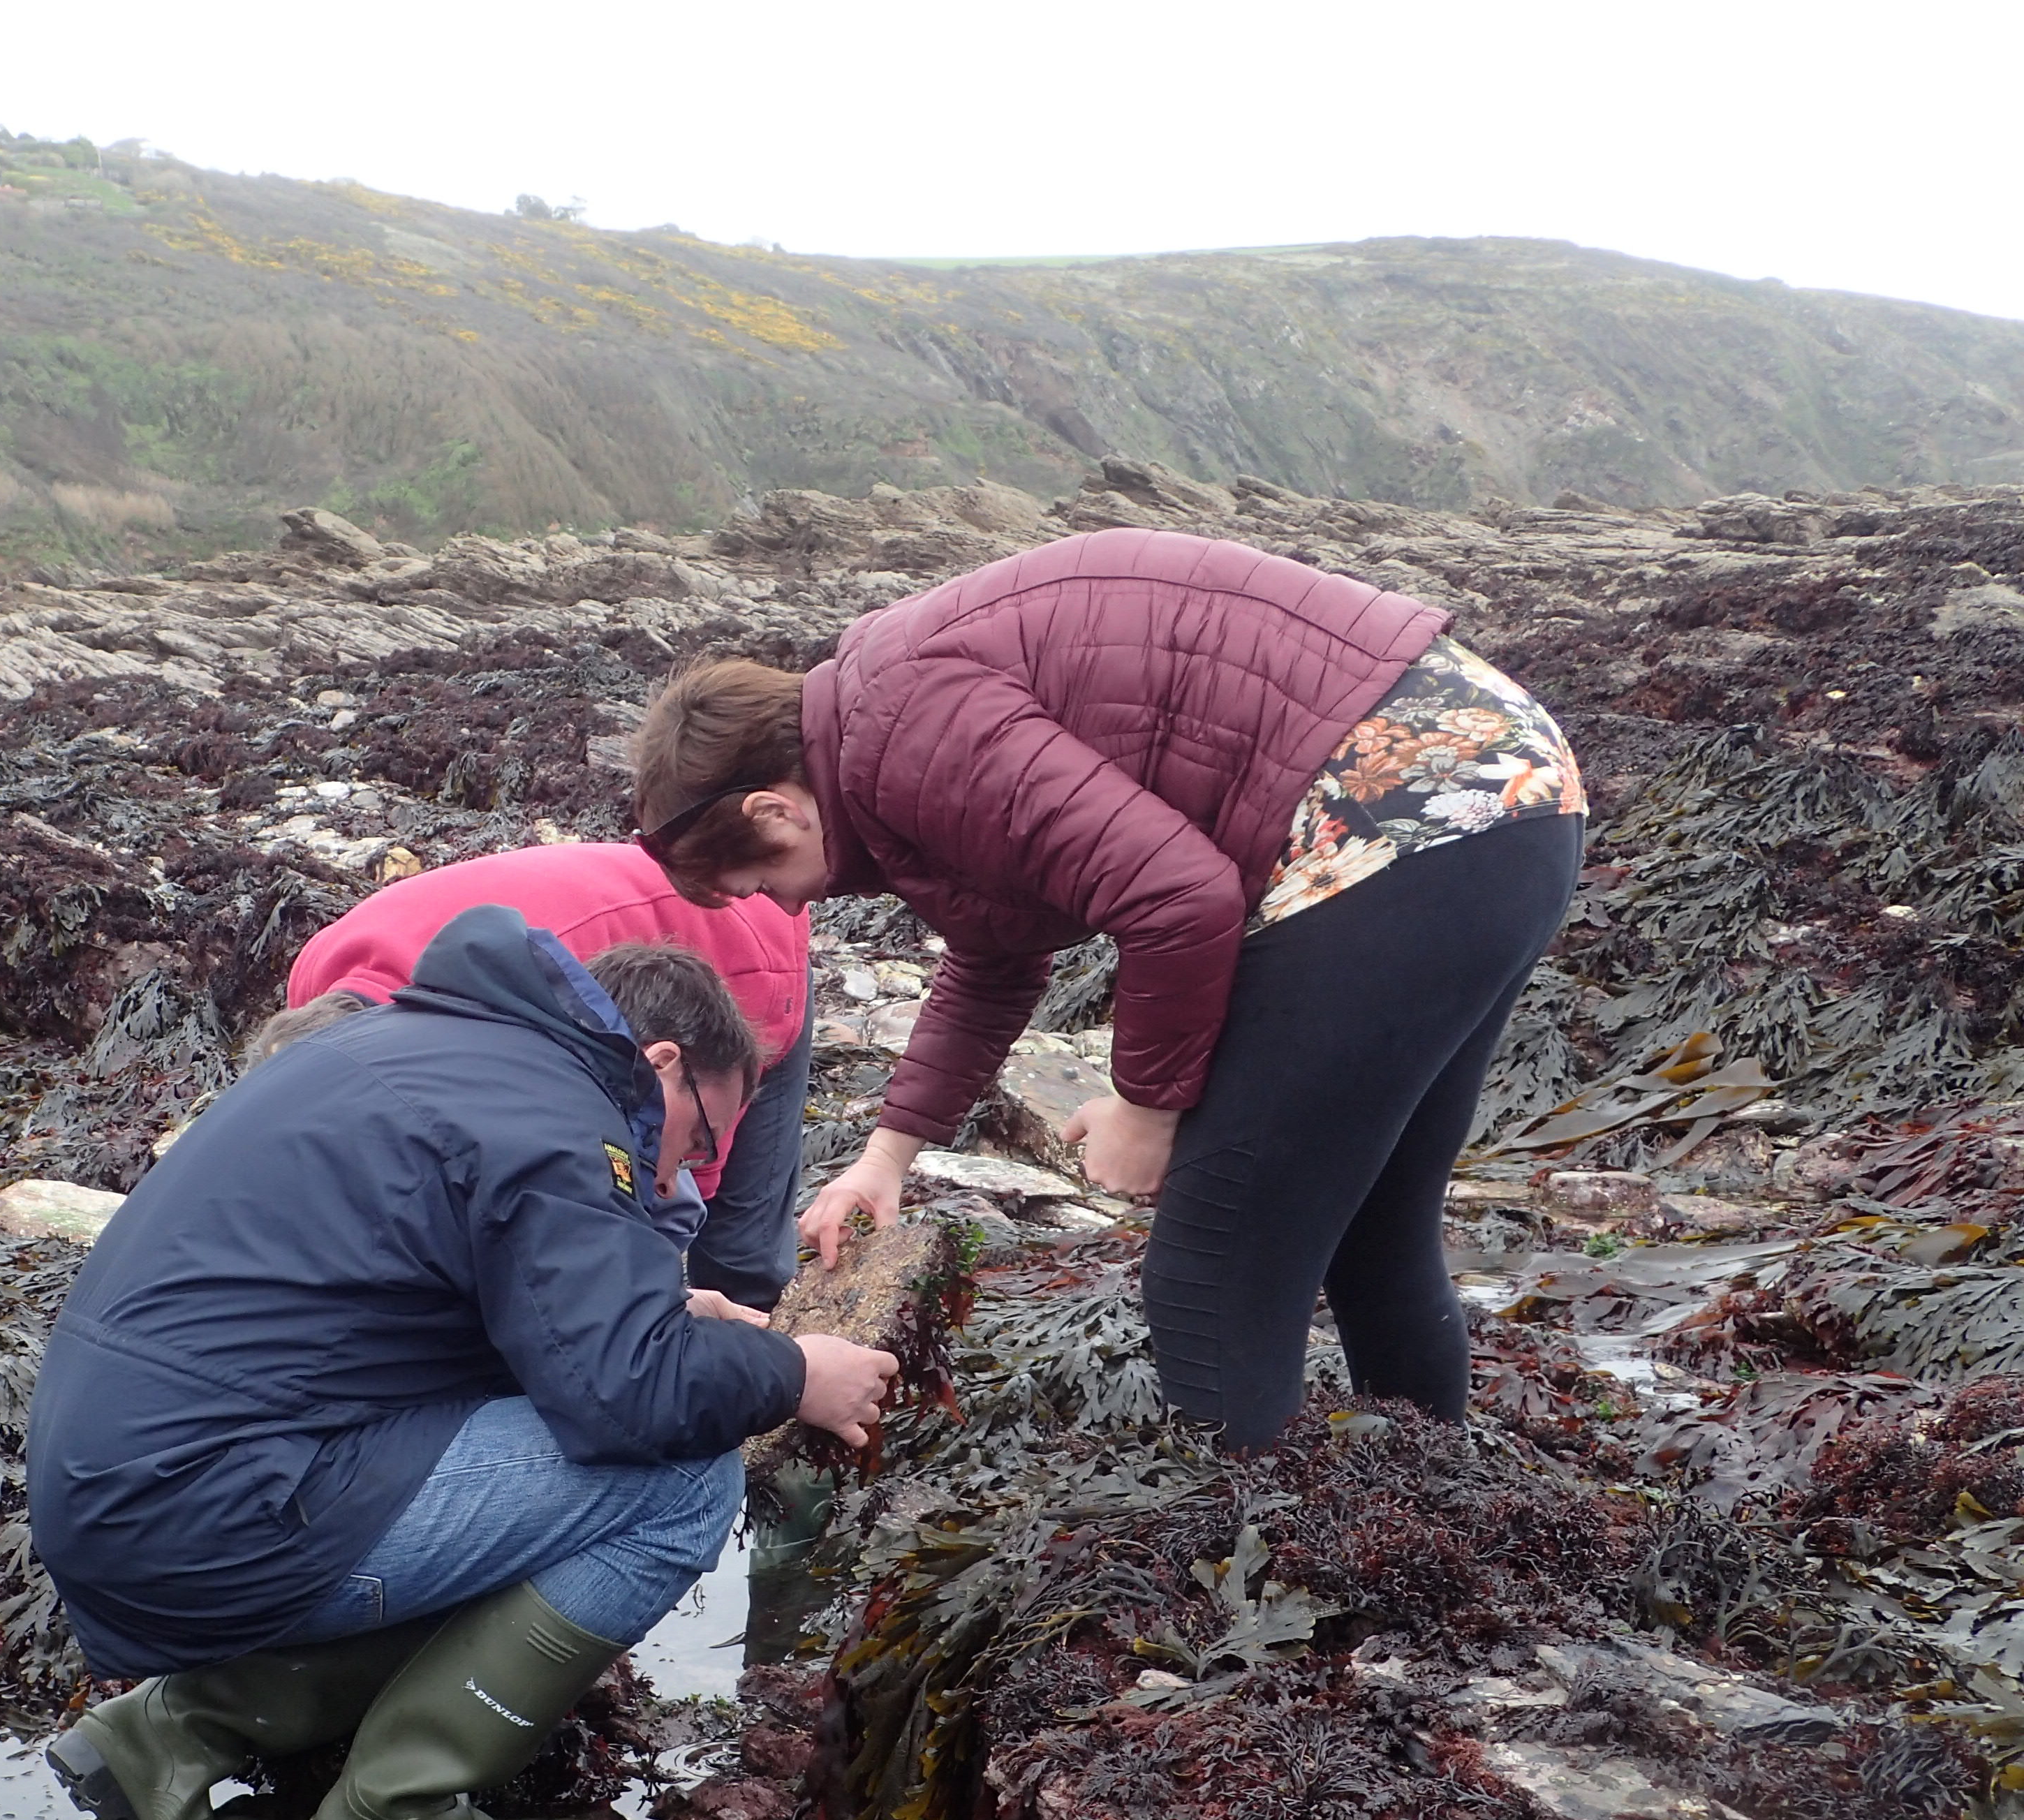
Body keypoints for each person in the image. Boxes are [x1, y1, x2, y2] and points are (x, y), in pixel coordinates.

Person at [630, 527, 1586, 1452]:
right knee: (1374, 1227)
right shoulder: (885, 728)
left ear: (774, 808)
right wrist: (887, 1158)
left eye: (756, 879)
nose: (778, 902)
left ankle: (1266, 1571)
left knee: (1209, 1273)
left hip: (1393, 816)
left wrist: (1146, 1104)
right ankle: (1430, 1517)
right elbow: (995, 953)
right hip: (1506, 794)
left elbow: (1180, 899)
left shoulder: (906, 733)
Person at [27, 906, 898, 1820]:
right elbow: (630, 1401)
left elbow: (429, 1310)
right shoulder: (560, 1117)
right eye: (698, 1142)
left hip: (124, 1488)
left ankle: (163, 1741)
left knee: (517, 1483)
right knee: (680, 1485)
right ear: (659, 1065)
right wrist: (794, 1373)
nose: (681, 1176)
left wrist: (652, 1302)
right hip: (209, 1510)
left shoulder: (430, 1049)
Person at [274, 843, 815, 1310]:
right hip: (608, 928)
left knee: (732, 1248)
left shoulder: (488, 1020)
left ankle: (779, 1385)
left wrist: (659, 1295)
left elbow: (654, 1187)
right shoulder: (318, 991)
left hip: (751, 940)